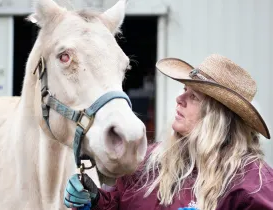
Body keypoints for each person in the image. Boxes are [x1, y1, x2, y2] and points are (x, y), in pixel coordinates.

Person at [63, 54, 273, 210]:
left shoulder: (252, 185)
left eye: (194, 98)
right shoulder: (150, 163)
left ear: (219, 118)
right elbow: (118, 204)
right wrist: (95, 201)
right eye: (184, 91)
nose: (179, 100)